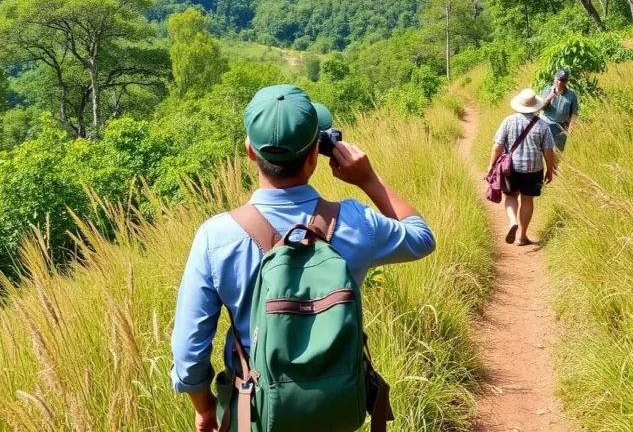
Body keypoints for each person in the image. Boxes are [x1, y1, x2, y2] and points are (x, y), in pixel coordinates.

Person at [171, 84, 436, 432]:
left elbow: (189, 350)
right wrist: (369, 179)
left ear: (250, 152)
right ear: (316, 154)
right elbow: (421, 237)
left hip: (255, 412)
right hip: (336, 407)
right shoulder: (356, 221)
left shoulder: (216, 236)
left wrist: (205, 409)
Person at [487, 88, 555, 246]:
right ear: (535, 106)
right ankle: (523, 236)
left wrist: (491, 165)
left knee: (511, 196)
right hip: (534, 169)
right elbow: (548, 150)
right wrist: (550, 170)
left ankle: (512, 222)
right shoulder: (543, 126)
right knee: (527, 199)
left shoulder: (508, 121)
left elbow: (497, 146)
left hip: (511, 168)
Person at [540, 69, 579, 152]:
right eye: (558, 80)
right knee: (546, 151)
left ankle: (555, 165)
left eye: (563, 80)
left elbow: (574, 113)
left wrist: (570, 129)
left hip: (561, 127)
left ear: (566, 81)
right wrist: (550, 97)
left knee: (558, 153)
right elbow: (540, 107)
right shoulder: (547, 90)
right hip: (546, 124)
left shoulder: (572, 95)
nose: (560, 82)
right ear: (555, 79)